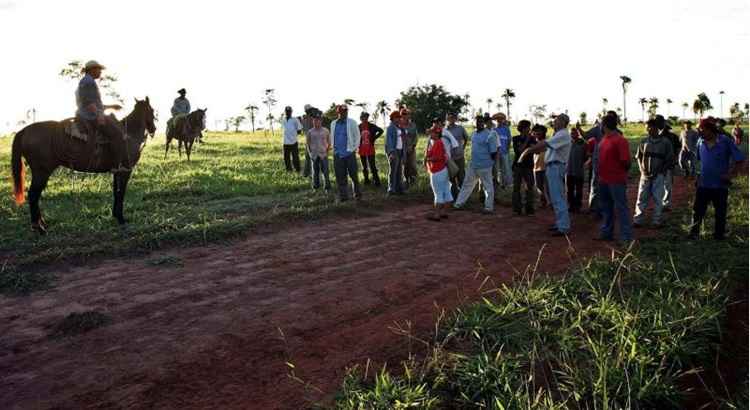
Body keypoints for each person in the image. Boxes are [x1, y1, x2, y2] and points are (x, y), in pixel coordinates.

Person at [688, 117, 745, 240]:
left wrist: (730, 175)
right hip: (703, 184)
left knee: (720, 212)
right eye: (698, 129)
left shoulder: (725, 141)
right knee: (697, 211)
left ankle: (719, 235)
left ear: (710, 129)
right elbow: (699, 161)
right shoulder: (700, 142)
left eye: (702, 129)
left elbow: (740, 160)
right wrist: (697, 176)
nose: (699, 132)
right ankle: (694, 233)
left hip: (720, 185)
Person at [519, 114, 572, 236]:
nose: (554, 121)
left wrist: (527, 151)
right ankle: (560, 224)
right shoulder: (559, 134)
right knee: (556, 197)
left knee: (558, 197)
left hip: (556, 166)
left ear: (563, 122)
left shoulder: (562, 134)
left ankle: (563, 226)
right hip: (553, 166)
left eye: (557, 120)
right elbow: (545, 147)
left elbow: (545, 144)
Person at [74, 60, 127, 172]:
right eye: (99, 70)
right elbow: (88, 102)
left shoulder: (87, 81)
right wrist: (99, 115)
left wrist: (112, 106)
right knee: (117, 134)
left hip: (89, 114)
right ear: (92, 70)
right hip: (89, 116)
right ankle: (116, 166)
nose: (100, 72)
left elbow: (95, 103)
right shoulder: (88, 82)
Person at [595, 114, 632, 242]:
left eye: (601, 124)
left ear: (604, 125)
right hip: (603, 180)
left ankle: (626, 236)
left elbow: (626, 162)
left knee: (621, 208)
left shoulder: (620, 140)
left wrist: (619, 173)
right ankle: (607, 232)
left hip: (616, 181)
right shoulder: (604, 139)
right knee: (607, 208)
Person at [453, 115, 498, 214]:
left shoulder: (490, 135)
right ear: (475, 123)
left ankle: (488, 208)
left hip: (485, 166)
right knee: (466, 185)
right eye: (477, 121)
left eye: (481, 122)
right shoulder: (473, 134)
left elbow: (494, 152)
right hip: (473, 165)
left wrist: (491, 164)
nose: (479, 123)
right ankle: (458, 204)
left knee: (488, 187)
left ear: (484, 123)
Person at [633, 119, 673, 228]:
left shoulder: (665, 142)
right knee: (641, 198)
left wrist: (660, 171)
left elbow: (669, 159)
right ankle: (638, 220)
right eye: (647, 127)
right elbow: (638, 157)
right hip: (645, 175)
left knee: (657, 198)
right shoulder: (643, 141)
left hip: (658, 175)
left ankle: (656, 221)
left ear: (656, 128)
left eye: (651, 127)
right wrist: (642, 170)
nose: (648, 129)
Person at [329, 105, 362, 201]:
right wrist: (334, 149)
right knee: (340, 177)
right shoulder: (333, 123)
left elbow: (358, 137)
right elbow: (332, 137)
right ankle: (344, 197)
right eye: (342, 112)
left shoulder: (352, 122)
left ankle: (357, 194)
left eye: (346, 111)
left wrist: (353, 149)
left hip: (349, 153)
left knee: (354, 175)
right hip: (338, 154)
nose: (344, 113)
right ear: (338, 113)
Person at [424, 124, 453, 221]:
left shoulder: (437, 143)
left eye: (432, 132)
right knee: (446, 192)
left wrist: (428, 158)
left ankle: (437, 215)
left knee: (438, 193)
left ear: (436, 133)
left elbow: (437, 158)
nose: (430, 134)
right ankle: (444, 212)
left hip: (437, 171)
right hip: (443, 170)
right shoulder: (439, 142)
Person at [654, 115, 680, 211]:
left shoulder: (672, 137)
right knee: (661, 185)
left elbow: (677, 149)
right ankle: (662, 203)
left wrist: (674, 160)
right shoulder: (655, 136)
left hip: (668, 164)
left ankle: (665, 204)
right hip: (658, 164)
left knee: (667, 185)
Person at [511, 120, 536, 215]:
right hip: (518, 166)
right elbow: (520, 150)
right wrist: (527, 140)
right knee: (516, 188)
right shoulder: (516, 139)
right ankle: (517, 209)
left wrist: (532, 141)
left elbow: (536, 150)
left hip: (529, 166)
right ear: (523, 128)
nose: (529, 129)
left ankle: (529, 209)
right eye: (528, 127)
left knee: (529, 187)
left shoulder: (532, 139)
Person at [305, 112, 331, 191]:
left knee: (325, 172)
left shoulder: (326, 131)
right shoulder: (310, 132)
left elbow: (329, 143)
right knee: (315, 173)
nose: (316, 122)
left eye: (318, 120)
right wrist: (310, 154)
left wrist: (326, 152)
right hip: (314, 155)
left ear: (321, 121)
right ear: (313, 121)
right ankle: (315, 187)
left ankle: (327, 187)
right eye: (315, 120)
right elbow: (307, 144)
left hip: (323, 154)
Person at [446, 113, 468, 198]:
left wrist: (462, 148)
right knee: (451, 179)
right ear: (447, 119)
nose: (451, 119)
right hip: (450, 158)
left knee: (461, 177)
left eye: (453, 118)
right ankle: (454, 197)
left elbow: (466, 138)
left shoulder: (460, 128)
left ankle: (462, 198)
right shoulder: (445, 130)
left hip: (459, 157)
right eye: (450, 118)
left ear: (455, 119)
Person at [358, 112, 384, 186]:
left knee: (372, 166)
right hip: (361, 149)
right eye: (363, 117)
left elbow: (381, 131)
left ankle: (377, 182)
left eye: (366, 117)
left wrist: (374, 138)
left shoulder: (372, 126)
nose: (365, 118)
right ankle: (366, 181)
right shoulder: (358, 127)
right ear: (361, 118)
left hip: (370, 149)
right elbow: (355, 136)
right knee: (364, 167)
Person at [567, 127, 588, 213]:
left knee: (579, 190)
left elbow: (586, 156)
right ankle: (571, 206)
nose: (573, 135)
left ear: (578, 133)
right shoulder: (567, 143)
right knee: (570, 190)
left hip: (579, 171)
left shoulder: (583, 143)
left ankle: (578, 206)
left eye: (574, 133)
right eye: (571, 133)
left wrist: (583, 163)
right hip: (569, 171)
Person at [385, 111, 406, 195]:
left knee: (399, 171)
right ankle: (391, 189)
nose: (399, 119)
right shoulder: (390, 128)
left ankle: (399, 188)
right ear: (393, 118)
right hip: (394, 151)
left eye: (399, 118)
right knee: (393, 170)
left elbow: (403, 139)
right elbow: (389, 141)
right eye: (397, 117)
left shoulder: (400, 127)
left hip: (400, 151)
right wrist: (391, 152)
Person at [492, 113, 513, 189]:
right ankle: (500, 184)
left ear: (503, 120)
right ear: (496, 120)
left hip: (504, 152)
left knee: (506, 168)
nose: (499, 120)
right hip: (496, 153)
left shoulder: (506, 129)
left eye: (501, 119)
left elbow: (509, 139)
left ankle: (507, 183)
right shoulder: (494, 129)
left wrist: (507, 149)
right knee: (497, 169)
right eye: (498, 119)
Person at [281, 106, 303, 172]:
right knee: (286, 158)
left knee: (295, 158)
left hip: (293, 142)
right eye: (286, 111)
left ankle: (298, 170)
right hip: (285, 142)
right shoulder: (283, 120)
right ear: (285, 112)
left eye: (289, 111)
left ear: (291, 112)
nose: (288, 112)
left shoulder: (295, 120)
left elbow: (299, 130)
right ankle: (289, 170)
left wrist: (294, 133)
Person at [532, 125, 549, 208]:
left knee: (548, 186)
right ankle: (543, 202)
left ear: (544, 132)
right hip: (536, 167)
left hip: (546, 167)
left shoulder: (547, 142)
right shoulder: (533, 142)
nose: (537, 133)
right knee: (539, 187)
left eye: (539, 131)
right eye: (535, 131)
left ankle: (551, 202)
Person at [402, 108, 420, 187]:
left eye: (408, 114)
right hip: (402, 149)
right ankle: (405, 181)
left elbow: (415, 137)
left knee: (412, 165)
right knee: (404, 165)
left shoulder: (413, 125)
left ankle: (413, 180)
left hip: (411, 147)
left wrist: (412, 146)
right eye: (404, 114)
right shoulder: (399, 125)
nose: (406, 115)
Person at [300, 104, 316, 178]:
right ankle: (312, 174)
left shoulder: (304, 119)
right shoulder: (312, 118)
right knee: (313, 158)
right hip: (314, 141)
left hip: (309, 141)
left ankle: (306, 174)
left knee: (308, 158)